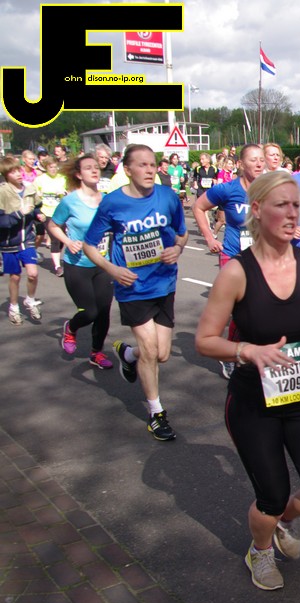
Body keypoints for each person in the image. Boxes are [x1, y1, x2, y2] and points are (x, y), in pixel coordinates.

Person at [195, 170, 300, 591]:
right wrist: (247, 350)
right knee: (271, 495)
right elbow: (204, 340)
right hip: (252, 404)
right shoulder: (237, 273)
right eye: (282, 205)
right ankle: (259, 550)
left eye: (297, 205)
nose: (293, 213)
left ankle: (282, 520)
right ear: (258, 210)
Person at [82, 144, 188, 441]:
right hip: (132, 286)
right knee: (151, 350)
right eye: (142, 165)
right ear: (127, 170)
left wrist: (178, 248)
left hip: (164, 282)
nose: (150, 170)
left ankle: (128, 354)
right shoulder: (113, 203)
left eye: (152, 164)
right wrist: (112, 269)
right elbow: (89, 244)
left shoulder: (167, 197)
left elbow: (182, 233)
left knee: (161, 354)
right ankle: (156, 413)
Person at [193, 144, 266, 378]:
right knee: (240, 308)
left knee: (257, 307)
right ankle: (231, 354)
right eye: (253, 160)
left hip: (260, 255)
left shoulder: (268, 189)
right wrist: (209, 237)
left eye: (261, 159)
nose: (258, 164)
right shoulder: (227, 189)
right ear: (241, 164)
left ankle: (249, 349)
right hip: (233, 255)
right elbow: (198, 207)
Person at [47, 155, 114, 369]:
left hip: (103, 264)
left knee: (103, 312)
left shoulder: (107, 200)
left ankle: (96, 353)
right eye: (88, 168)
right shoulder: (70, 201)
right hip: (77, 265)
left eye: (96, 167)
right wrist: (68, 241)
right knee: (89, 312)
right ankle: (71, 328)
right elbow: (53, 225)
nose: (94, 171)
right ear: (78, 174)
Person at [0, 156, 43, 325]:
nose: (18, 174)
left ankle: (30, 300)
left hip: (28, 239)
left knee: (33, 273)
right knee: (15, 277)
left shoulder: (29, 188)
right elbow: (1, 221)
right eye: (12, 172)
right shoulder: (2, 192)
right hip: (9, 241)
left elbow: (36, 206)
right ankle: (13, 306)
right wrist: (19, 213)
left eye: (18, 170)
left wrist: (38, 214)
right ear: (6, 175)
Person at [32, 158, 68, 276]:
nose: (53, 169)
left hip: (61, 212)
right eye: (50, 167)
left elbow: (69, 193)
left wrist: (64, 192)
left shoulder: (62, 178)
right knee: (55, 239)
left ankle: (57, 256)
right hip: (46, 212)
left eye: (55, 167)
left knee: (62, 239)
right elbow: (33, 197)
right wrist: (38, 212)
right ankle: (57, 267)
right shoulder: (39, 180)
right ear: (46, 168)